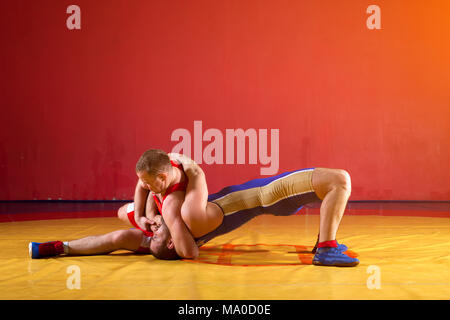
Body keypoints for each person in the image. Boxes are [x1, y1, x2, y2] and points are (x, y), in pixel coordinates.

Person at [30, 150, 359, 267]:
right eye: (161, 232)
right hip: (265, 195)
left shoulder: (148, 229)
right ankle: (326, 249)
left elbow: (114, 238)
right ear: (170, 240)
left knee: (124, 221)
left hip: (262, 200)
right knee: (339, 180)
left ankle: (323, 240)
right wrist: (185, 163)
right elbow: (190, 253)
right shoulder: (179, 213)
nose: (153, 228)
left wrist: (62, 247)